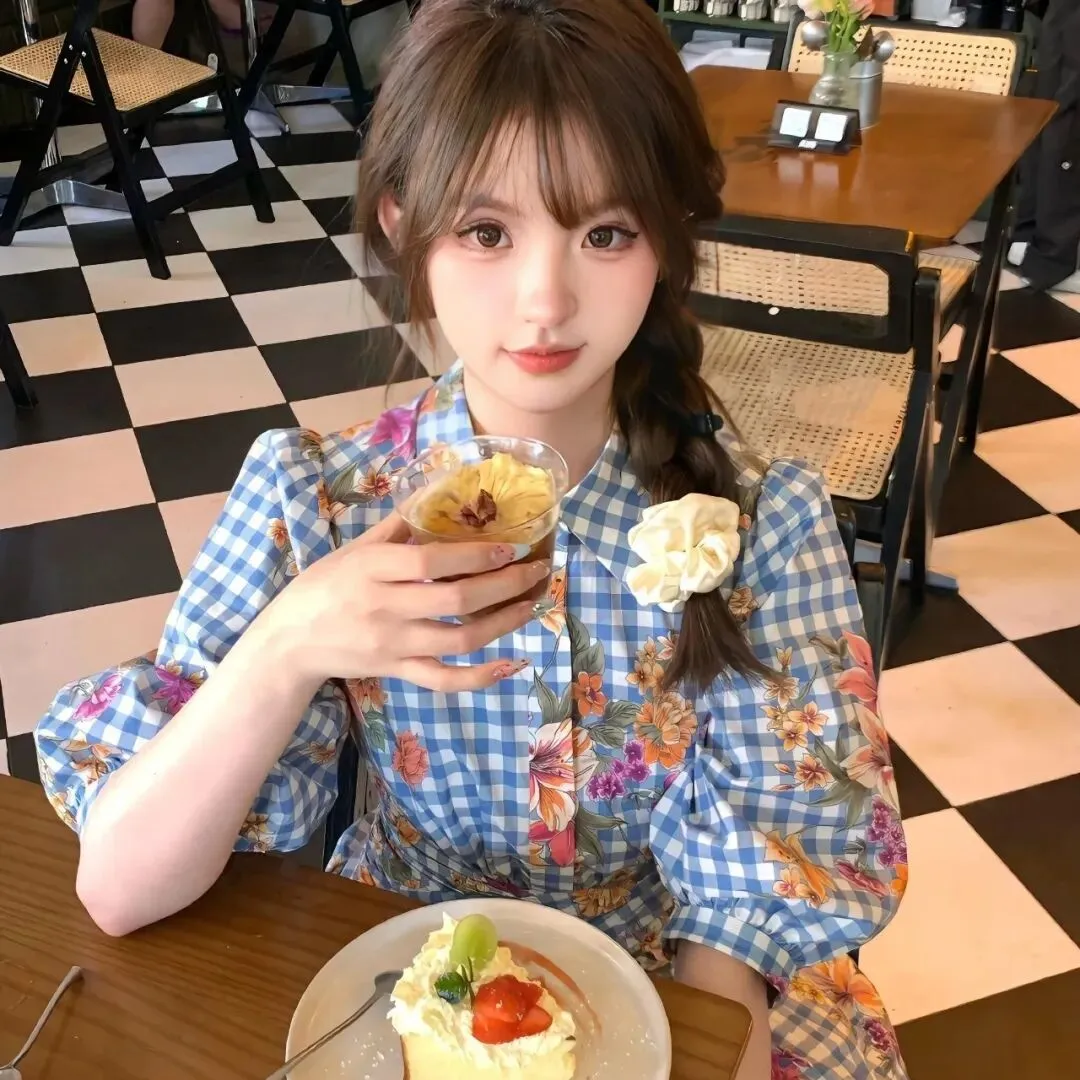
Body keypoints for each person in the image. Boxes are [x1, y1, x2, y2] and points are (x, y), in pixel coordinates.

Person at [35, 1, 907, 1076]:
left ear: (668, 239)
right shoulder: (319, 501)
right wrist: (291, 641)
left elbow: (739, 920)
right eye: (487, 233)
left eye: (606, 233)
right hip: (405, 983)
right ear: (405, 222)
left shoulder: (764, 525)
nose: (545, 302)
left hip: (670, 990)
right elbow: (121, 891)